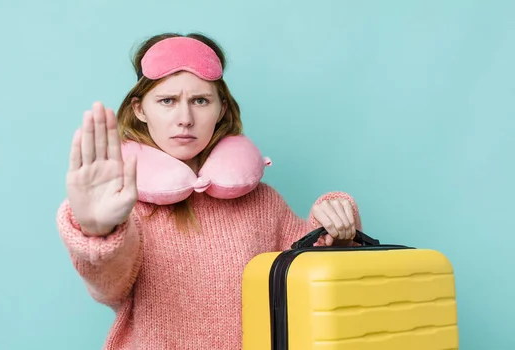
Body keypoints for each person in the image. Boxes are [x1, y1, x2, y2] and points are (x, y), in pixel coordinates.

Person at [56, 32, 364, 349]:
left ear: (220, 109)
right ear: (140, 110)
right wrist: (98, 232)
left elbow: (308, 270)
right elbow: (108, 287)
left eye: (200, 100)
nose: (185, 119)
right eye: (167, 101)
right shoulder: (122, 206)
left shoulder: (263, 202)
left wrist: (336, 223)